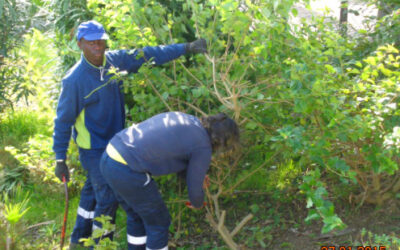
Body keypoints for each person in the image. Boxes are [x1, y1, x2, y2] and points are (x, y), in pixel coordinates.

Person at [52, 20, 207, 248]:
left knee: (91, 194)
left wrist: (186, 48)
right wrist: (60, 159)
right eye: (91, 42)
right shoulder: (74, 80)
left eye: (101, 41)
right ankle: (100, 244)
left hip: (118, 145)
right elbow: (63, 121)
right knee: (107, 200)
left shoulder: (115, 61)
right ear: (79, 44)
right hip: (93, 149)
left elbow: (148, 55)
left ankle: (78, 241)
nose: (98, 46)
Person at [99, 111, 240, 250]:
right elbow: (194, 190)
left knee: (137, 217)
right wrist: (197, 203)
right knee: (159, 223)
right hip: (127, 168)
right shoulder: (203, 146)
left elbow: (179, 155)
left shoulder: (189, 120)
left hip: (110, 156)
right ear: (222, 140)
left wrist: (198, 176)